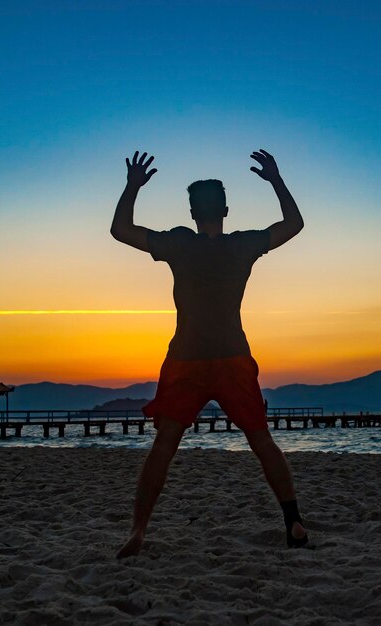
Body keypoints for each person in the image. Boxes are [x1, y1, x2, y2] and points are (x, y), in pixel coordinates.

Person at [111, 149, 308, 558]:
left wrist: (132, 186)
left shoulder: (179, 243)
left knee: (164, 444)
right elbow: (294, 224)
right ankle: (293, 520)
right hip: (233, 356)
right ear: (226, 210)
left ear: (192, 212)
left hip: (186, 357)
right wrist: (275, 179)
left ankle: (138, 531)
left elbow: (120, 230)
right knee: (261, 440)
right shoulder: (243, 246)